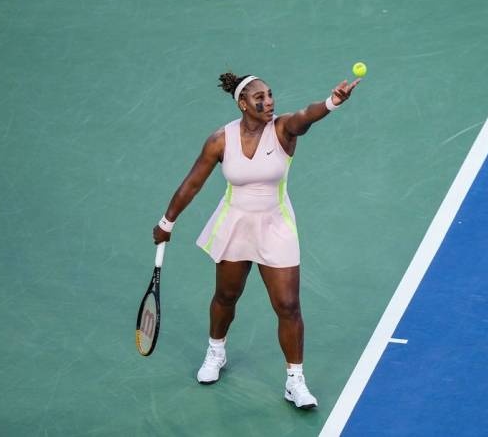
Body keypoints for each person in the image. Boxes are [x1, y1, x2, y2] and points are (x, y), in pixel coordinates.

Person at [152, 72, 360, 409]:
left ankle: (295, 381)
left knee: (288, 306)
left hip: (276, 227)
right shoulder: (221, 140)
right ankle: (216, 351)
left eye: (271, 94)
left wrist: (331, 103)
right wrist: (167, 221)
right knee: (226, 295)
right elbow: (192, 183)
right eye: (259, 98)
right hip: (234, 223)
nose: (269, 102)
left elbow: (306, 116)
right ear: (243, 104)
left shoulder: (283, 129)